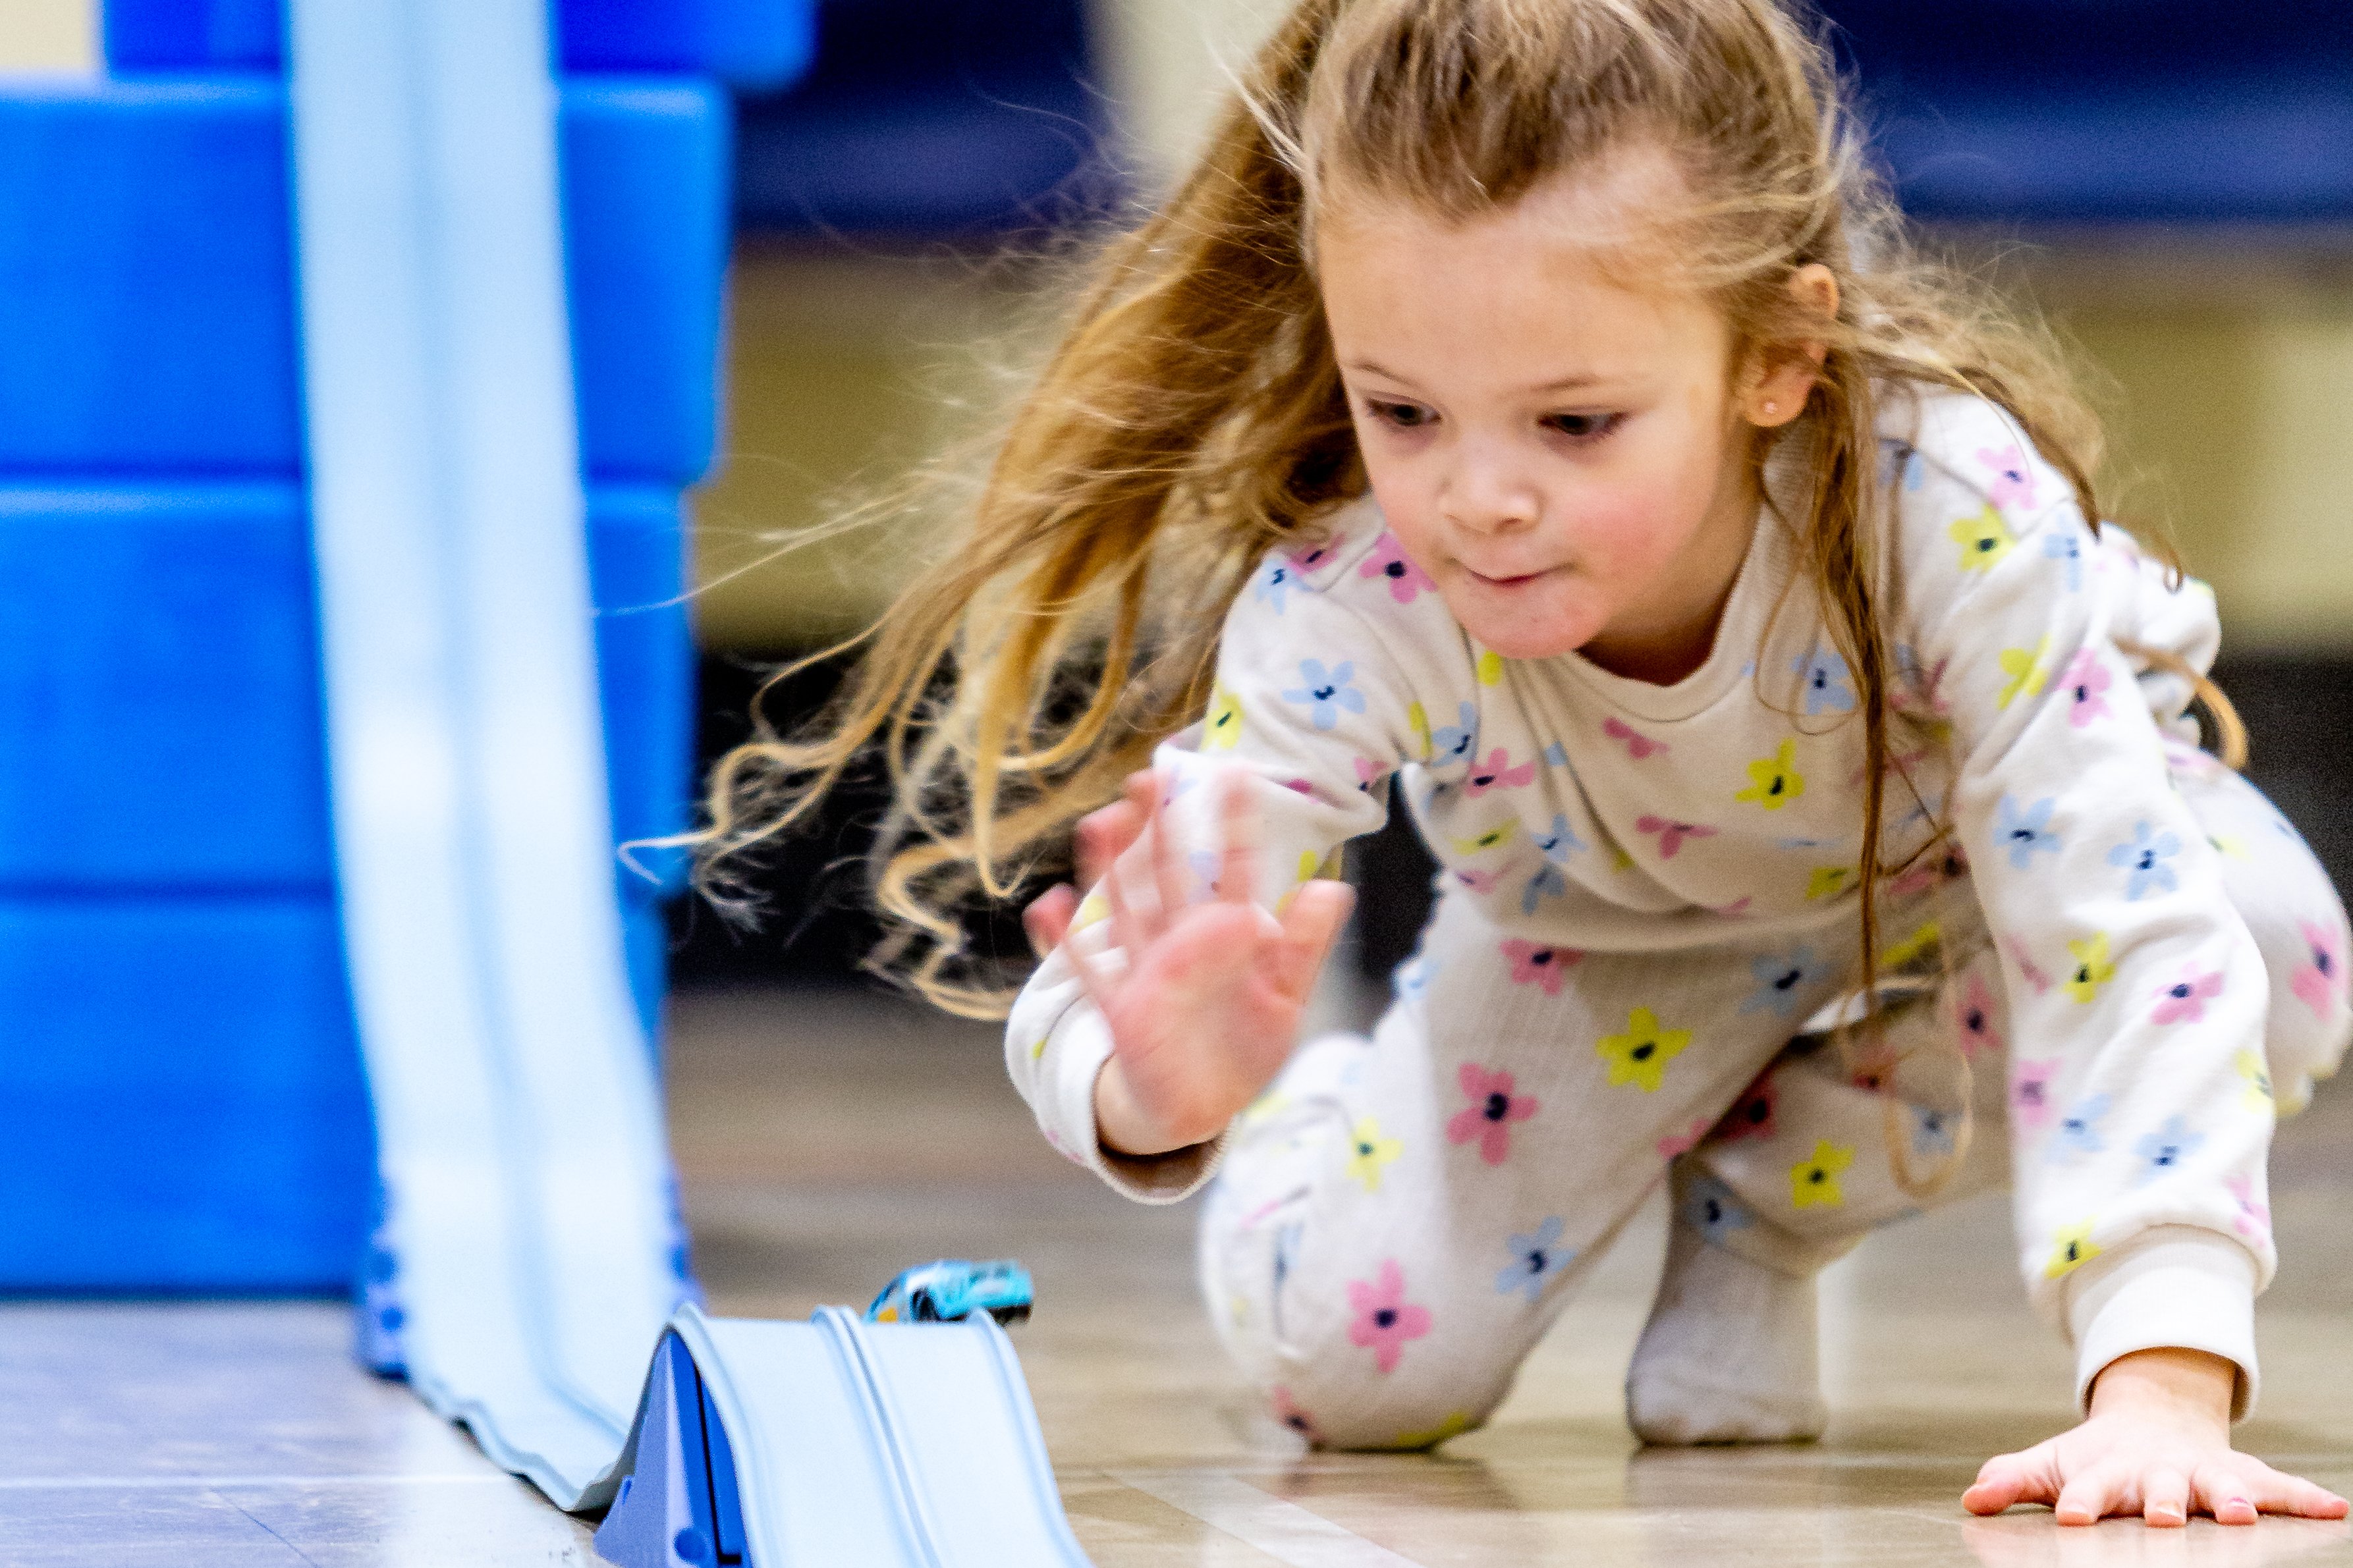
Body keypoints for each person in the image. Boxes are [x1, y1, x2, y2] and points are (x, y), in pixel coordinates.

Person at [694, 0, 2353, 1528]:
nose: (1478, 497)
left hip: (1952, 908)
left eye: (1573, 425)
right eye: (1404, 410)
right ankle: (1344, 1133)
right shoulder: (1360, 594)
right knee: (1357, 1384)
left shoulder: (1943, 505)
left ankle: (1766, 1199)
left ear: (1774, 357)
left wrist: (2159, 1388)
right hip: (1599, 941)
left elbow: (2112, 926)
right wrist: (1162, 1089)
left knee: (2271, 944)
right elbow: (1124, 958)